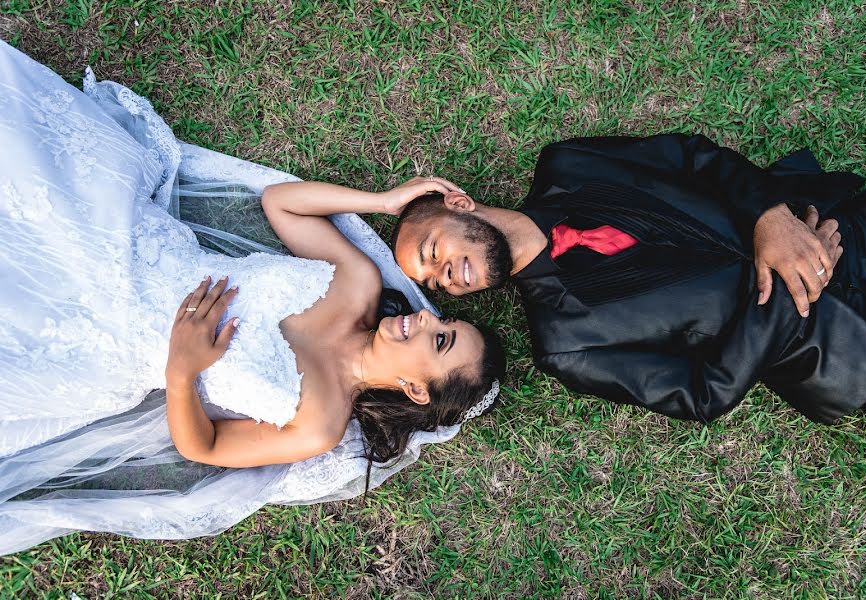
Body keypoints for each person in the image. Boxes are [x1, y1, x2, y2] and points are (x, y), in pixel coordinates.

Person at [0, 40, 504, 554]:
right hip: (137, 245)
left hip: (108, 338)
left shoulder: (321, 423)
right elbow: (281, 204)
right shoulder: (358, 284)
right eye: (443, 323)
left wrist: (181, 370)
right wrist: (383, 201)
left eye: (440, 341)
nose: (423, 319)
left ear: (417, 391)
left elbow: (206, 446)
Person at [377, 136, 866, 431]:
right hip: (846, 343)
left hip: (846, 226)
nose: (443, 278)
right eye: (434, 284)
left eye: (432, 252)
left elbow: (697, 159)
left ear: (459, 205)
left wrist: (771, 219)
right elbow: (702, 394)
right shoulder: (566, 346)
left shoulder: (569, 164)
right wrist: (789, 291)